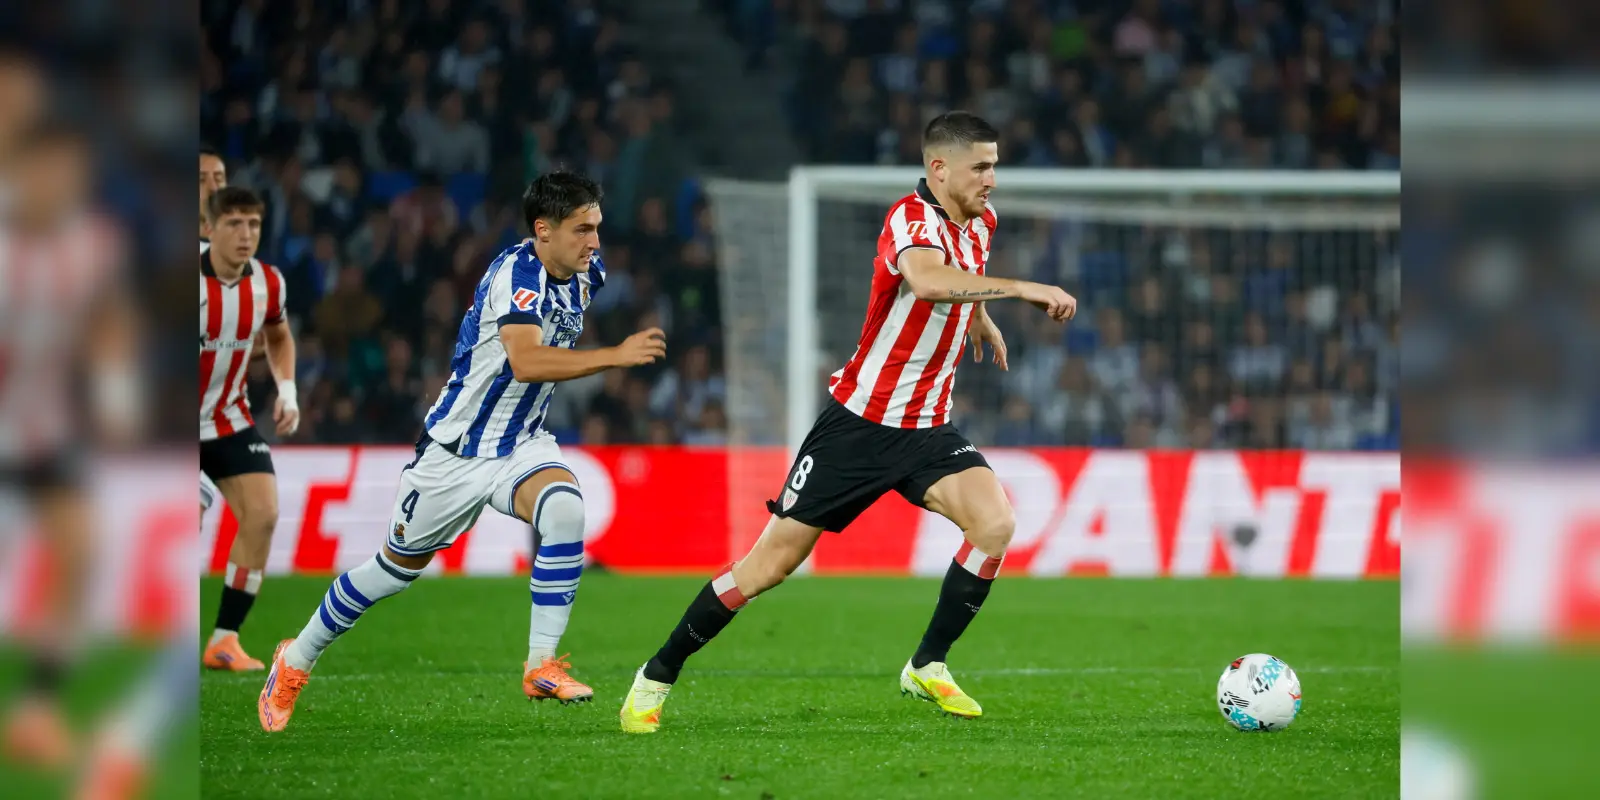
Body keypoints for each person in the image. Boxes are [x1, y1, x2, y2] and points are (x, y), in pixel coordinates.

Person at [619, 111, 1078, 733]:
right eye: (980, 167)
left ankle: (927, 664)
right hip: (859, 426)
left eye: (994, 166)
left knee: (995, 524)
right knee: (768, 567)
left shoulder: (982, 221)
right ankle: (655, 676)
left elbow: (959, 282)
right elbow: (927, 279)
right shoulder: (909, 219)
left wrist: (979, 317)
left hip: (928, 428)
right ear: (939, 169)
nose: (991, 179)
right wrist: (1021, 289)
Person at [258, 170, 667, 732]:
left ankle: (540, 665)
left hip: (521, 443)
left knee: (565, 509)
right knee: (390, 572)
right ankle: (295, 658)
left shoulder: (586, 272)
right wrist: (614, 355)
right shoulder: (514, 275)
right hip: (455, 452)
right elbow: (526, 360)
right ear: (543, 230)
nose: (595, 242)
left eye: (597, 227)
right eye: (582, 229)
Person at [0, 120, 142, 769]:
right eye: (49, 170)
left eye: (72, 173)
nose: (60, 184)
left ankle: (37, 709)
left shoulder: (94, 245)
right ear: (22, 172)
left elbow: (108, 316)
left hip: (44, 431)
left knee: (81, 550)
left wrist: (116, 388)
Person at [199, 186, 301, 671]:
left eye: (253, 224)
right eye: (234, 224)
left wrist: (288, 390)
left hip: (228, 420)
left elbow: (279, 336)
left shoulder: (268, 282)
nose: (246, 235)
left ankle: (224, 641)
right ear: (208, 229)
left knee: (263, 514)